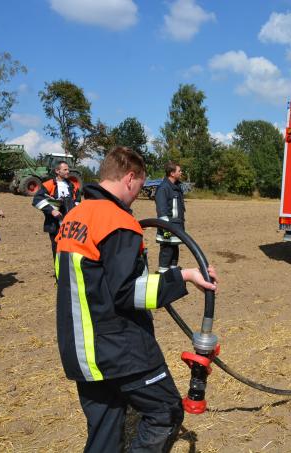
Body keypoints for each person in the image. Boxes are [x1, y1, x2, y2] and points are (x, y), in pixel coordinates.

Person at [55, 147, 219, 452]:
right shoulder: (117, 221)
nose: (138, 194)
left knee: (104, 430)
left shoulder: (74, 217)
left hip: (80, 349)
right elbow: (129, 292)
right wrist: (182, 276)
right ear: (130, 178)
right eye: (141, 186)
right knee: (165, 411)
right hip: (116, 349)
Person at [33, 160, 81, 261]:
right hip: (55, 225)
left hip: (70, 225)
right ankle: (59, 274)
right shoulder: (48, 185)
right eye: (65, 169)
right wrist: (52, 210)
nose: (68, 171)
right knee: (57, 250)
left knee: (71, 251)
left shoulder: (73, 186)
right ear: (57, 171)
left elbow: (77, 201)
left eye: (68, 169)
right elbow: (37, 200)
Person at [155, 162, 185, 273]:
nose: (181, 172)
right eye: (179, 171)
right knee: (167, 252)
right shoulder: (163, 188)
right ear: (172, 173)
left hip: (177, 227)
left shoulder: (176, 187)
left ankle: (172, 276)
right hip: (168, 228)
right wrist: (166, 231)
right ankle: (163, 278)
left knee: (174, 252)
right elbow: (162, 211)